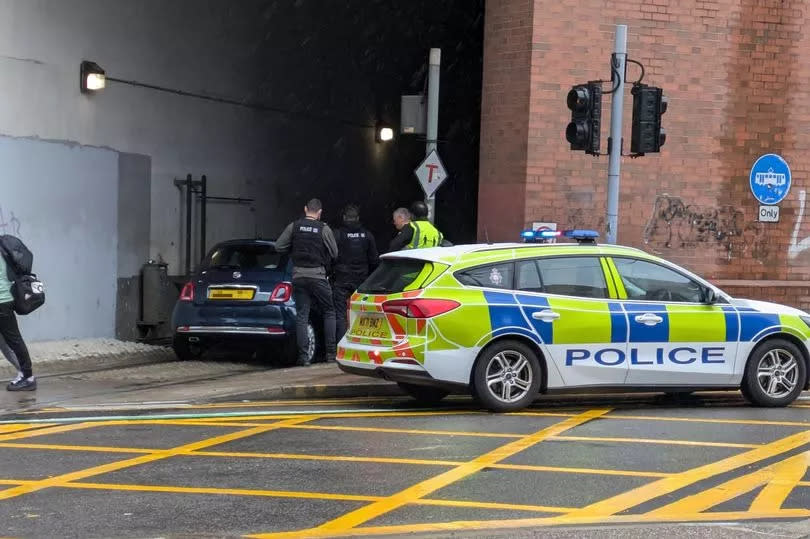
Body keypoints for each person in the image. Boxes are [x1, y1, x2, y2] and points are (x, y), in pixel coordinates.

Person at [275, 198, 338, 366]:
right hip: (317, 276)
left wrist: (293, 251)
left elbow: (278, 247)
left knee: (302, 315)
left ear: (305, 209)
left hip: (298, 276)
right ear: (319, 213)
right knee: (329, 311)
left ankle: (303, 357)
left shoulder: (294, 226)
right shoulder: (323, 228)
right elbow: (334, 253)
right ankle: (331, 354)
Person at [332, 205, 379, 340]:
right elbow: (374, 260)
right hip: (361, 281)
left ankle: (340, 345)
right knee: (362, 313)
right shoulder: (367, 235)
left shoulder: (338, 234)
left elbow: (331, 256)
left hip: (342, 279)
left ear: (344, 218)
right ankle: (361, 343)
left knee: (340, 315)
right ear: (358, 218)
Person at [0, 242, 34, 391]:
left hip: (2, 302)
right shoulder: (3, 249)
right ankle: (25, 373)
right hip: (5, 300)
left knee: (13, 340)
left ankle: (28, 377)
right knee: (5, 343)